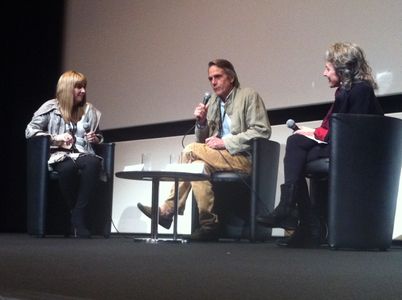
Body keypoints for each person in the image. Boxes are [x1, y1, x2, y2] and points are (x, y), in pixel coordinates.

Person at [257, 42, 384, 248]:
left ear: (342, 68)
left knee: (296, 143)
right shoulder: (347, 91)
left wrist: (315, 133)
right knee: (298, 146)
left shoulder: (360, 91)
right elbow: (334, 128)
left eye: (327, 68)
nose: (323, 73)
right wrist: (313, 132)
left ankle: (300, 217)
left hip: (358, 151)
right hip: (343, 145)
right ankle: (302, 219)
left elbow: (350, 132)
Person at [137, 59, 272, 241]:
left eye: (218, 76)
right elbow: (203, 142)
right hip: (217, 158)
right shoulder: (214, 102)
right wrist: (201, 123)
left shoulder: (248, 95)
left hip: (242, 158)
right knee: (197, 165)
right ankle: (209, 224)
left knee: (191, 150)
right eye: (210, 79)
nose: (213, 82)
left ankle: (168, 210)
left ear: (231, 78)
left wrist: (226, 142)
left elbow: (262, 130)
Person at [25, 70, 104, 238]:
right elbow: (30, 131)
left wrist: (96, 138)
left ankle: (77, 214)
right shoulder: (51, 107)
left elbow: (98, 135)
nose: (83, 91)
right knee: (67, 169)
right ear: (67, 88)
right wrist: (56, 138)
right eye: (78, 87)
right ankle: (75, 214)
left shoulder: (88, 110)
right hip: (59, 154)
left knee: (93, 163)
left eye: (84, 87)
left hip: (82, 153)